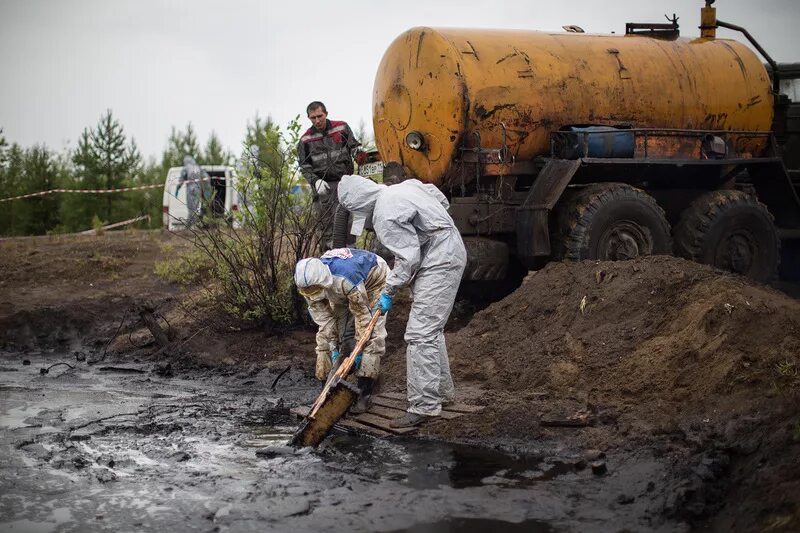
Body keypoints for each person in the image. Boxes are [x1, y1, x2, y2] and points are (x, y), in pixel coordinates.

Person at [337, 174, 467, 428]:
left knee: (419, 334)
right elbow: (440, 199)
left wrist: (388, 291)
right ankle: (442, 392)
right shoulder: (404, 187)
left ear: (360, 206)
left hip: (439, 258)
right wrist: (428, 229)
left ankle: (425, 406)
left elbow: (408, 260)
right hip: (444, 249)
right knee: (431, 330)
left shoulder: (385, 215)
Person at [294, 247, 390, 414]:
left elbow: (363, 318)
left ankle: (363, 394)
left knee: (372, 336)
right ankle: (325, 393)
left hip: (375, 280)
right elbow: (325, 323)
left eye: (315, 290)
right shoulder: (308, 282)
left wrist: (359, 349)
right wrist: (332, 346)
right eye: (308, 292)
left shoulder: (345, 279)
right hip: (339, 290)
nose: (312, 295)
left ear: (323, 281)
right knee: (324, 338)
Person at [297, 101, 364, 250]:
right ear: (308, 117)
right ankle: (329, 259)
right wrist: (315, 181)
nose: (317, 120)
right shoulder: (305, 140)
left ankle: (350, 254)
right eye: (313, 118)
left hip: (345, 183)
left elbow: (353, 146)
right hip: (323, 188)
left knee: (348, 223)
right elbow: (304, 166)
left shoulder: (341, 128)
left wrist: (358, 153)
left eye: (319, 116)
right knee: (326, 226)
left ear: (326, 113)